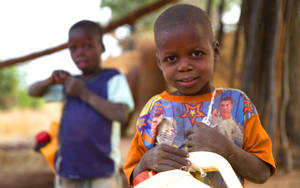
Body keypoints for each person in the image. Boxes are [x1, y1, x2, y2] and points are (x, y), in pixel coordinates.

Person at [123, 4, 275, 187]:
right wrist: (147, 161)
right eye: (171, 58)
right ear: (159, 62)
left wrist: (228, 150)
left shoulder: (238, 104)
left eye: (196, 53)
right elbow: (131, 176)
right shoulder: (155, 109)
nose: (184, 66)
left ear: (215, 51)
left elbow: (262, 172)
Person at [28, 20, 134, 188]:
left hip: (103, 172)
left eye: (87, 46)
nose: (80, 53)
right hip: (68, 170)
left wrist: (84, 93)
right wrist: (50, 80)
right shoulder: (69, 82)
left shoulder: (113, 78)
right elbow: (33, 91)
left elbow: (121, 115)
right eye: (73, 48)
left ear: (102, 47)